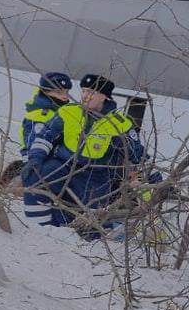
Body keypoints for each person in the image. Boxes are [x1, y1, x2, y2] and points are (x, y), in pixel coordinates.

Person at [23, 74, 144, 231]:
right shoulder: (68, 111)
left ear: (103, 97)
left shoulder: (119, 123)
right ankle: (39, 229)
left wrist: (152, 183)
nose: (85, 96)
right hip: (63, 165)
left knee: (93, 224)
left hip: (96, 176)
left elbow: (137, 156)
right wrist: (35, 159)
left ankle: (87, 240)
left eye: (91, 92)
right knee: (36, 174)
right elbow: (45, 137)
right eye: (84, 91)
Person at [19, 72, 73, 223]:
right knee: (41, 192)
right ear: (45, 91)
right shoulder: (42, 115)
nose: (64, 97)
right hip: (40, 162)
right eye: (58, 92)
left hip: (49, 161)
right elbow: (35, 143)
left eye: (66, 92)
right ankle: (41, 225)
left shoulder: (56, 110)